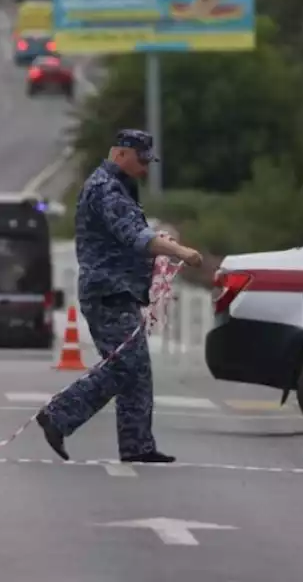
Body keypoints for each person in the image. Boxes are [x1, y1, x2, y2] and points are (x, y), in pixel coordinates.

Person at [35, 130, 203, 463]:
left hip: (119, 291)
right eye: (141, 161)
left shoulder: (120, 188)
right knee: (127, 365)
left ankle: (137, 445)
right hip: (107, 292)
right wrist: (180, 251)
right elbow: (138, 238)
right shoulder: (106, 190)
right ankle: (58, 415)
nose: (144, 169)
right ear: (121, 154)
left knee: (135, 368)